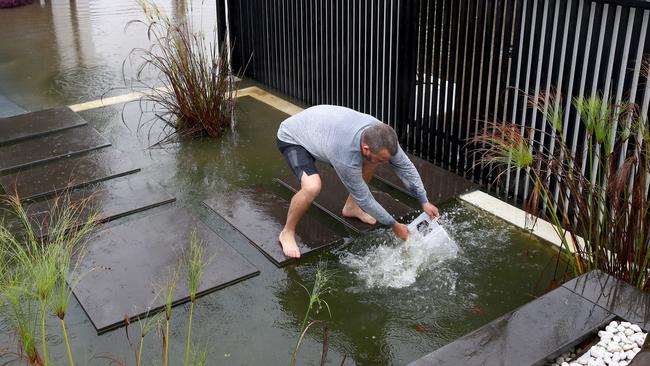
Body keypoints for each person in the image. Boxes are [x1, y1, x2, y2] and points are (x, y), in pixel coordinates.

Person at [276, 105, 440, 258]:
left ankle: (351, 208)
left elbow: (405, 166)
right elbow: (364, 197)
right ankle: (287, 232)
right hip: (293, 137)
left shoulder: (382, 135)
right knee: (312, 186)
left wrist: (424, 200)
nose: (385, 163)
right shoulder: (345, 154)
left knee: (371, 161)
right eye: (382, 160)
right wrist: (394, 224)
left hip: (320, 131)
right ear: (366, 148)